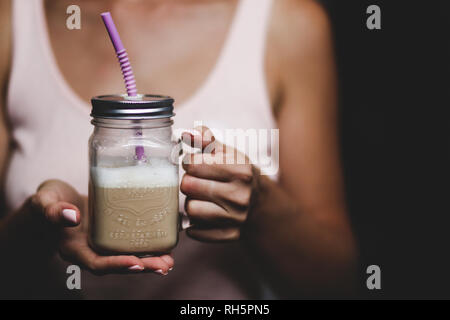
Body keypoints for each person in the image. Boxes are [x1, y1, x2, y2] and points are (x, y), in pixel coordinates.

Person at [0, 0, 356, 299]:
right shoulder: (13, 21)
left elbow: (336, 283)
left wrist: (259, 204)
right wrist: (38, 222)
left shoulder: (288, 24)